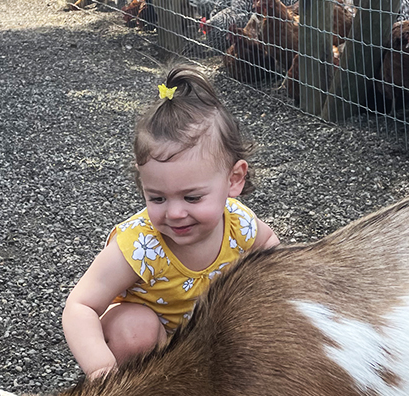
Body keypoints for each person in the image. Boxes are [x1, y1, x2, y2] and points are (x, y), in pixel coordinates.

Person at [63, 65, 279, 379]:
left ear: (234, 180)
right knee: (135, 330)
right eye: (158, 198)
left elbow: (273, 254)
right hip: (148, 352)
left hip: (202, 340)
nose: (175, 213)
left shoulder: (240, 224)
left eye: (192, 198)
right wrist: (101, 373)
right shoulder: (140, 245)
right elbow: (79, 306)